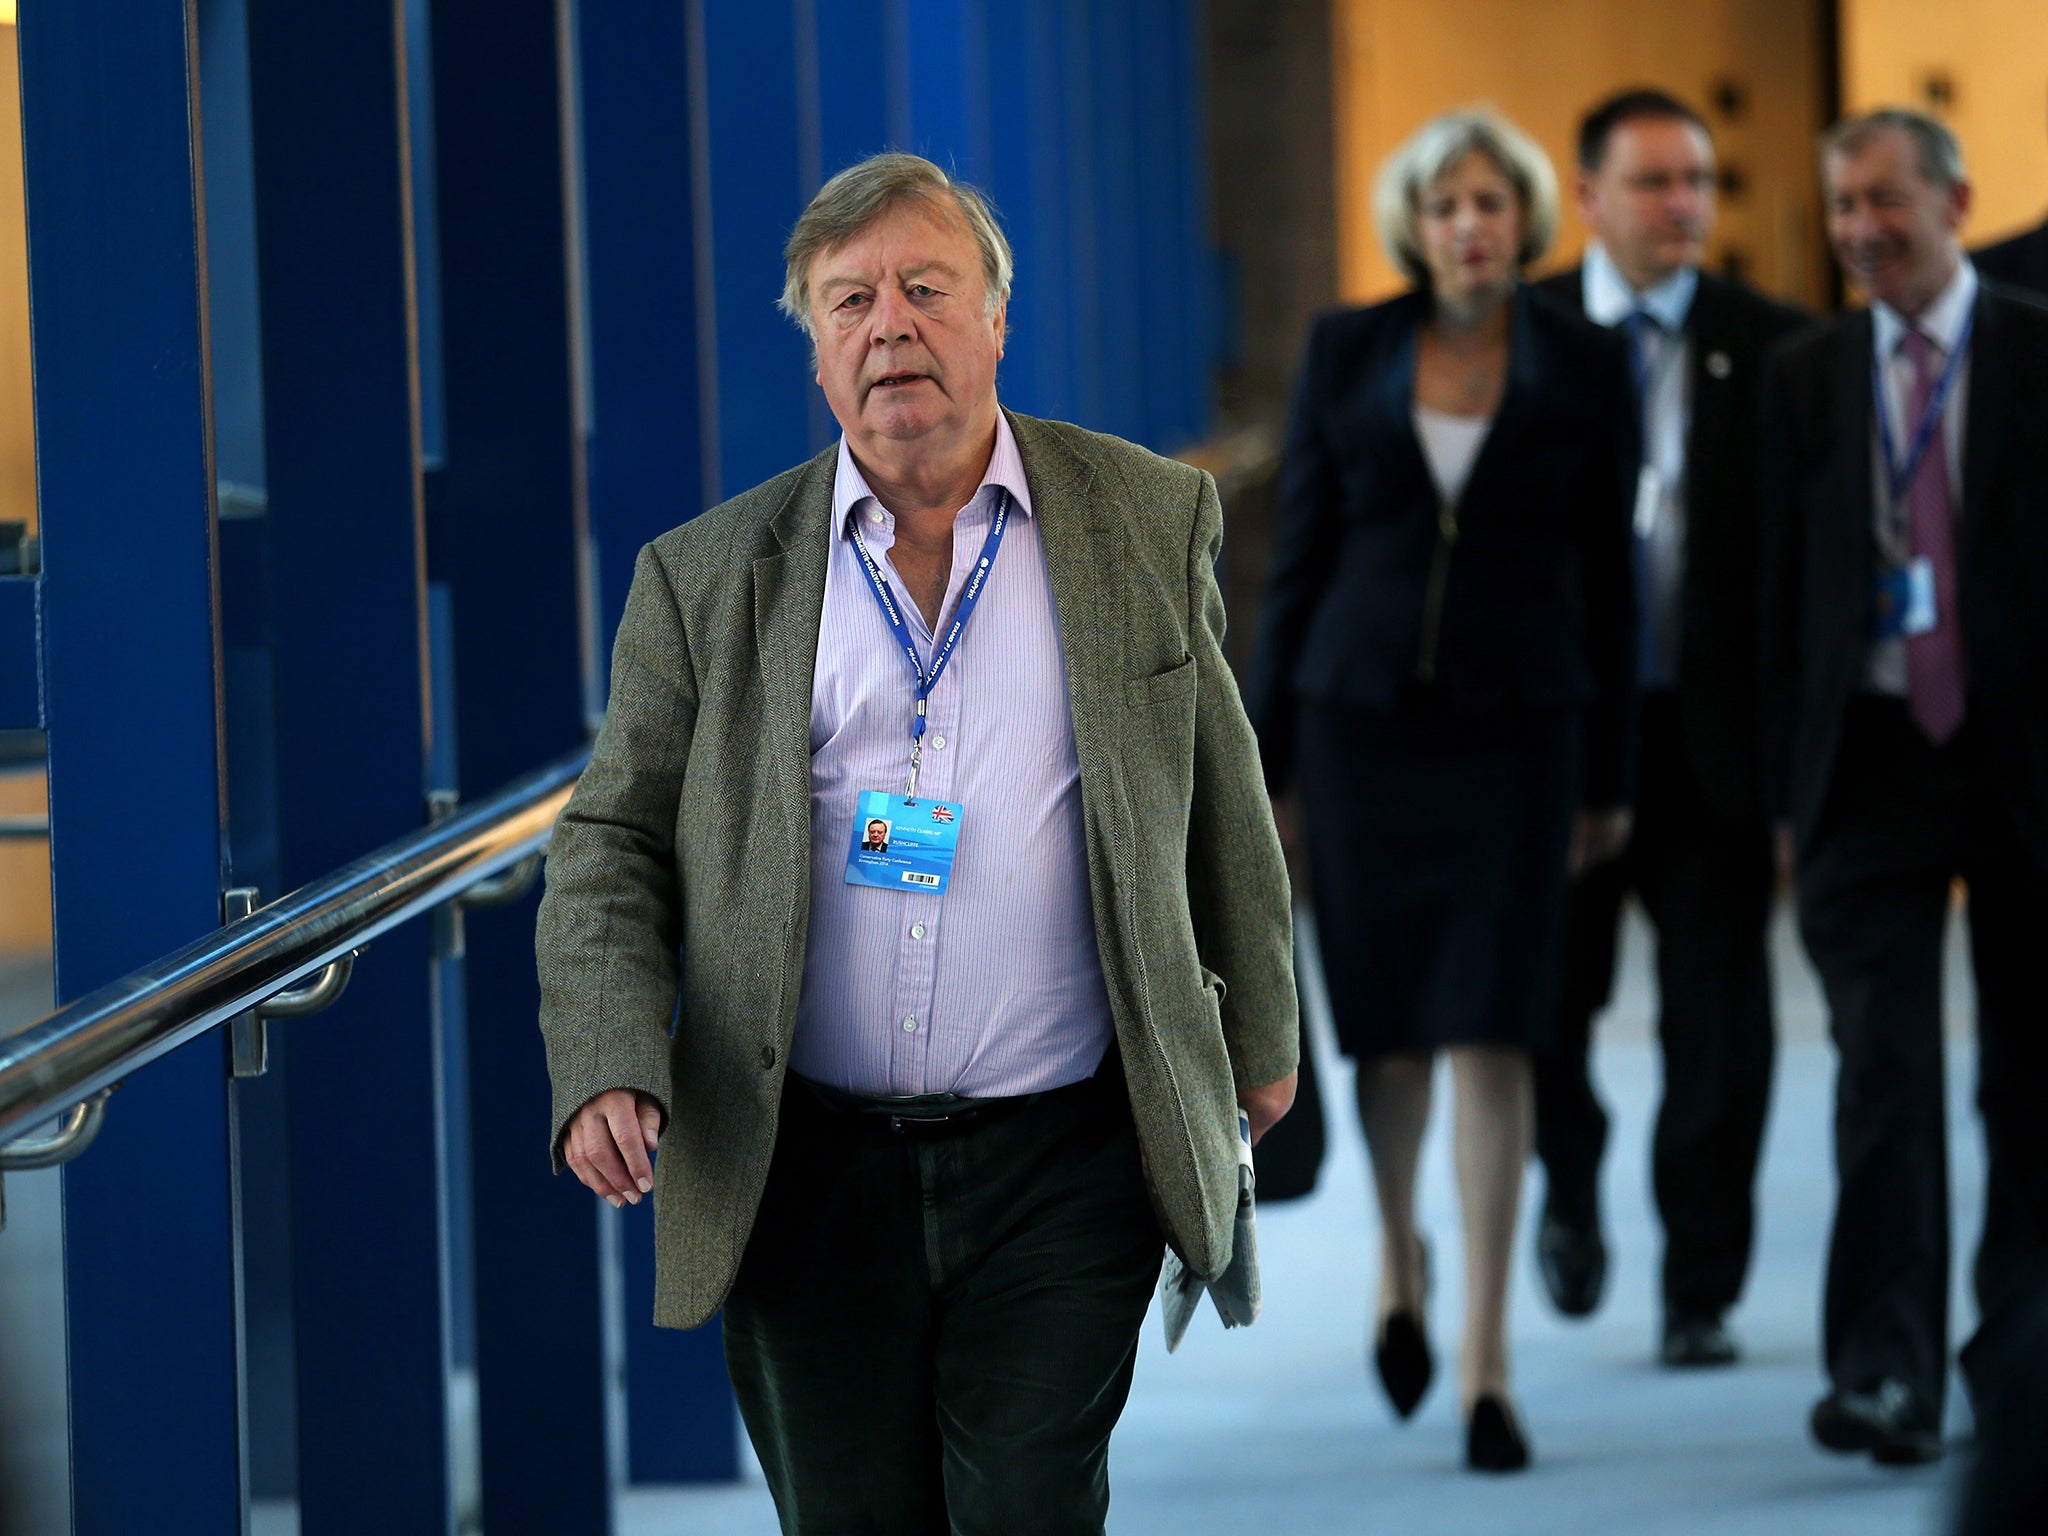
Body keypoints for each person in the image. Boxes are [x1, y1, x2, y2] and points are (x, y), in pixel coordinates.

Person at [533, 152, 1298, 1533]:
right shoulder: (706, 579)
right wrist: (604, 1056)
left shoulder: (1140, 515)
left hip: (1062, 1156)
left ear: (996, 319)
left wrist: (1263, 1047)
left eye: (926, 289)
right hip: (800, 1162)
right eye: (849, 302)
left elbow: (1218, 787)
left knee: (1029, 1503)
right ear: (818, 357)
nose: (891, 325)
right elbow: (610, 844)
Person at [1247, 108, 1636, 1474]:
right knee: (1394, 1033)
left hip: (1524, 733)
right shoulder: (1348, 347)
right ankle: (1396, 1259)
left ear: (1525, 218)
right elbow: (1299, 559)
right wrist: (1265, 760)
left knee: (1498, 1030)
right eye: (1445, 203)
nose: (1469, 224)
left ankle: (1485, 1364)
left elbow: (1611, 580)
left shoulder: (1586, 361)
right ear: (1413, 222)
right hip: (1361, 735)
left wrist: (1613, 776)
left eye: (1490, 202)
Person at [1760, 108, 2048, 1468]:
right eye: (1843, 209)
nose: (1864, 230)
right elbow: (1751, 599)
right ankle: (1885, 1374)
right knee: (1881, 1068)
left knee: (2031, 1081)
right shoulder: (1803, 379)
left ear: (1957, 199)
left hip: (2024, 759)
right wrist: (1766, 790)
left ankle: (2019, 1374)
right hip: (1865, 760)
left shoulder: (2040, 353)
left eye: (1888, 202)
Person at [1529, 89, 1807, 1365]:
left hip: (1711, 748)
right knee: (1543, 1008)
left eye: (1695, 179)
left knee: (1719, 1021)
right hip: (1562, 741)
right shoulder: (1517, 336)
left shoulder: (1777, 345)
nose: (1680, 204)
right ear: (1586, 196)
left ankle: (1698, 1284)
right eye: (1650, 182)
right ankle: (1570, 1194)